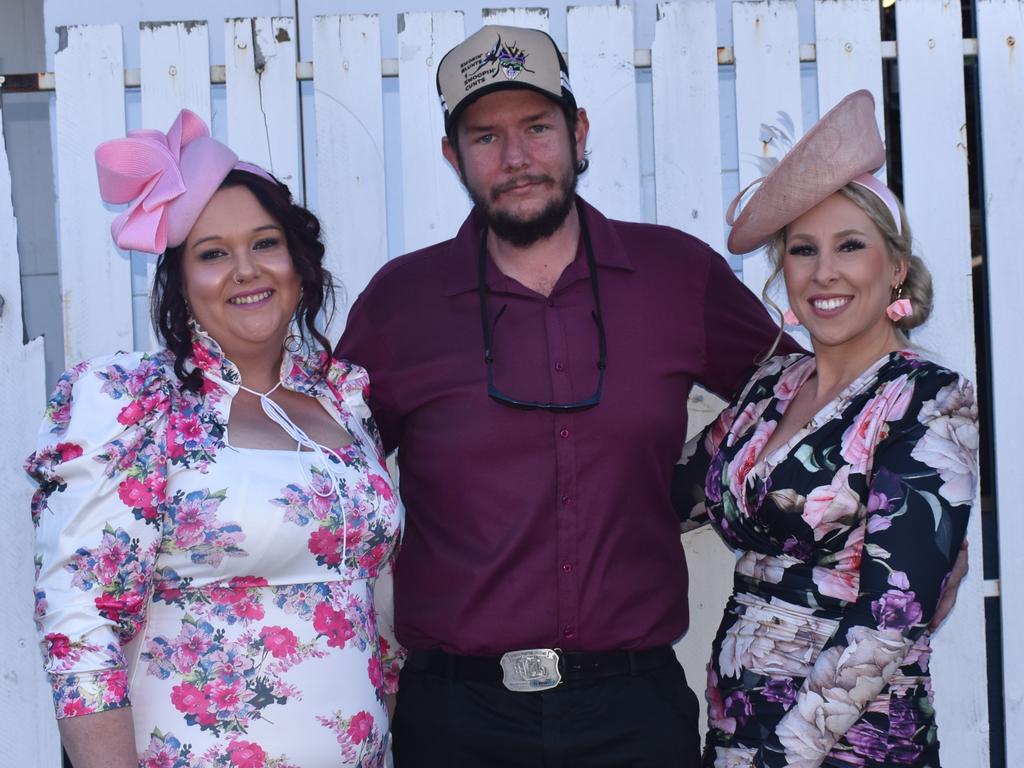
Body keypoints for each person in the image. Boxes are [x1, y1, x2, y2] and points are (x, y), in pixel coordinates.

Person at [337, 24, 802, 766]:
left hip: (634, 711)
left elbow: (809, 408)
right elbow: (326, 480)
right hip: (455, 718)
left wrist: (896, 544)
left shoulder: (675, 275)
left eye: (537, 128)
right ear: (453, 156)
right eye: (486, 137)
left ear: (578, 132)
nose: (516, 158)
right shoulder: (403, 303)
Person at [26, 110, 402, 768]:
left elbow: (377, 613)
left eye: (264, 243)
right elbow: (82, 632)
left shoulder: (343, 403)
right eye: (213, 253)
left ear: (297, 260)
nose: (246, 270)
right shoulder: (132, 405)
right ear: (178, 277)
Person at [673, 90, 979, 768]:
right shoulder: (768, 389)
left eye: (850, 246)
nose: (825, 272)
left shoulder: (928, 399)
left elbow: (891, 618)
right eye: (803, 250)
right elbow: (666, 495)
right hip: (736, 730)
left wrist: (786, 753)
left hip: (847, 744)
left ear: (895, 265)